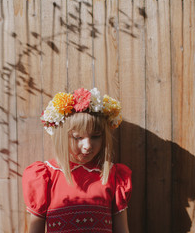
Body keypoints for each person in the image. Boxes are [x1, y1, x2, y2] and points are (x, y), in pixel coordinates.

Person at [22, 88, 132, 233]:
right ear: (62, 136)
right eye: (77, 137)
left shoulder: (113, 175)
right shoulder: (45, 176)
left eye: (95, 136)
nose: (87, 146)